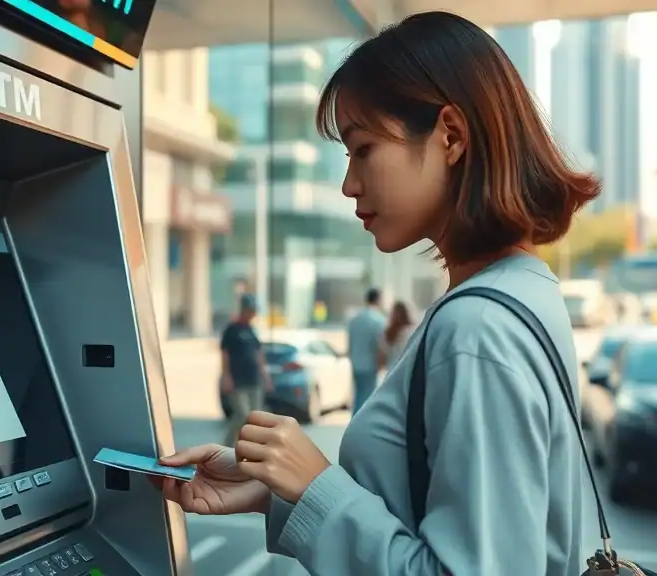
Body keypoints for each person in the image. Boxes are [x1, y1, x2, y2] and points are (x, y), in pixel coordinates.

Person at [154, 12, 600, 576]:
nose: (348, 184)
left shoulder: (477, 330)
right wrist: (275, 486)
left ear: (451, 136)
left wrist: (316, 486)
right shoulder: (524, 292)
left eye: (363, 149)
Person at [219, 294, 272, 447]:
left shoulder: (251, 330)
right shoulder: (232, 329)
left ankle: (251, 448)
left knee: (256, 417)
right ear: (244, 310)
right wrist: (226, 376)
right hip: (237, 380)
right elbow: (224, 354)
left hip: (254, 379)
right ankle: (227, 445)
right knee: (242, 414)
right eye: (251, 310)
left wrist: (265, 376)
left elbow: (259, 353)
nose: (253, 314)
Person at [347, 288, 388, 414]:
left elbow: (350, 343)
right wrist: (382, 364)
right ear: (378, 300)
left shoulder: (355, 319)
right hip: (370, 365)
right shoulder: (378, 320)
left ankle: (354, 423)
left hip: (355, 363)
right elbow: (380, 345)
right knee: (367, 399)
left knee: (358, 397)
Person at [382, 301, 415, 372]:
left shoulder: (388, 332)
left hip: (391, 369)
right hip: (407, 370)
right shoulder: (413, 330)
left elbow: (383, 354)